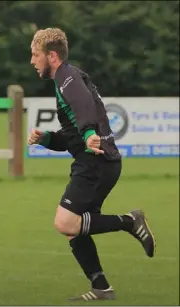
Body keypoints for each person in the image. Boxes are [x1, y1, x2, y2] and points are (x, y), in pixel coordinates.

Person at [28, 28, 156, 301]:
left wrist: (88, 134)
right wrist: (48, 138)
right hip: (100, 161)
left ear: (51, 55)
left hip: (95, 163)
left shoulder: (66, 77)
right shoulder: (67, 78)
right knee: (76, 227)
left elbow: (84, 107)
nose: (32, 61)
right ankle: (101, 287)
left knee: (66, 223)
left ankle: (130, 222)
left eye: (35, 54)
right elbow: (72, 135)